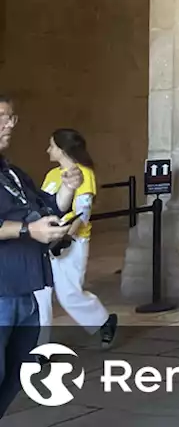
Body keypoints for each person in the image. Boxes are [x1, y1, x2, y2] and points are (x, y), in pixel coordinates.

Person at [0, 95, 78, 418]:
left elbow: (47, 205)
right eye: (3, 116)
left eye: (12, 117)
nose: (10, 124)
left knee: (18, 373)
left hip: (25, 288)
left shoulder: (13, 173)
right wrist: (27, 232)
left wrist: (68, 188)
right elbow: (26, 226)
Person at [35, 129, 117, 347]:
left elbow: (83, 211)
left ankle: (103, 321)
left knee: (68, 293)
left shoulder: (83, 173)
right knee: (41, 294)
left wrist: (65, 236)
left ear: (63, 149)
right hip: (46, 239)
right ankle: (37, 347)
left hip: (71, 242)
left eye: (51, 146)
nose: (48, 150)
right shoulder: (52, 175)